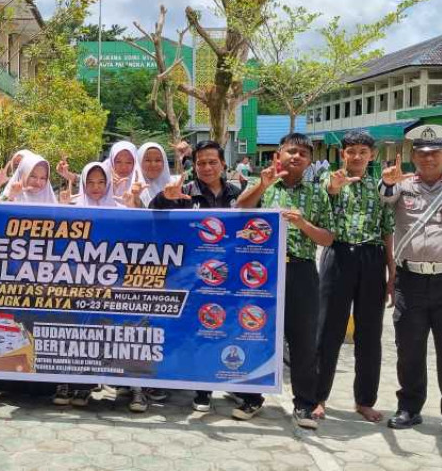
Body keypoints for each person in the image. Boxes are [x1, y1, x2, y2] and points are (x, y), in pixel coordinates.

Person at [149, 140, 263, 417]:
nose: (207, 167)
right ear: (194, 165)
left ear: (223, 164)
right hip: (195, 278)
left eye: (213, 162)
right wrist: (164, 197)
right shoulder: (185, 192)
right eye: (201, 163)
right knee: (201, 330)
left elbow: (258, 225)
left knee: (237, 330)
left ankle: (248, 392)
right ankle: (202, 390)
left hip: (233, 277)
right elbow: (153, 217)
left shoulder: (238, 194)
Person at [237, 133, 335, 429]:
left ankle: (304, 404)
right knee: (256, 331)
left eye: (303, 153)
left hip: (301, 271)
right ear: (279, 155)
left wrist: (303, 223)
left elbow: (328, 238)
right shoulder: (265, 185)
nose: (296, 157)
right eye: (291, 151)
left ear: (310, 160)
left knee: (303, 340)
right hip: (263, 272)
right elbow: (240, 209)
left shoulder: (318, 193)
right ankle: (251, 397)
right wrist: (261, 185)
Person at [314, 131, 395, 423]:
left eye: (363, 151)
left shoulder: (381, 188)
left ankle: (364, 400)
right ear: (342, 154)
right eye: (351, 151)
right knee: (328, 329)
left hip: (372, 259)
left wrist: (392, 271)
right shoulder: (329, 180)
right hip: (338, 255)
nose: (357, 156)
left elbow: (387, 230)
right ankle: (318, 397)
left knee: (370, 334)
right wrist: (334, 188)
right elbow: (327, 195)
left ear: (372, 155)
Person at [378, 124, 442, 430]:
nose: (428, 158)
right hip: (411, 281)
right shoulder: (402, 186)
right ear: (413, 156)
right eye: (422, 153)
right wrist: (387, 181)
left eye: (435, 153)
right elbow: (385, 196)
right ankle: (409, 408)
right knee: (409, 349)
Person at [51, 162, 115, 408]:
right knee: (68, 330)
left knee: (93, 334)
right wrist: (63, 210)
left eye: (101, 182)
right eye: (90, 182)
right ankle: (62, 383)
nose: (96, 187)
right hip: (72, 282)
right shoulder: (72, 206)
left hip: (105, 284)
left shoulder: (120, 208)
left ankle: (84, 387)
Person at [137, 142, 171, 207]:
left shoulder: (174, 187)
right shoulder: (131, 189)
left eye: (158, 160)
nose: (153, 165)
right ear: (139, 161)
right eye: (147, 160)